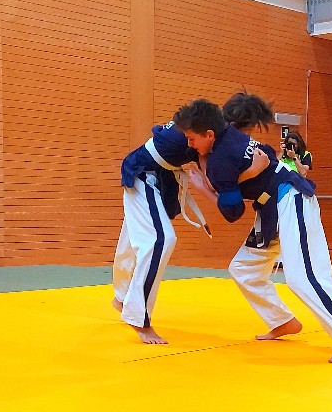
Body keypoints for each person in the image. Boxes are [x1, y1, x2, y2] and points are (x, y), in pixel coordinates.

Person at [175, 95, 332, 363]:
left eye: (192, 139)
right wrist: (247, 174)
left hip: (292, 199)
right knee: (244, 269)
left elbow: (233, 212)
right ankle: (282, 321)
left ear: (209, 134)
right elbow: (267, 155)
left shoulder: (221, 161)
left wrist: (203, 188)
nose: (189, 144)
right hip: (270, 209)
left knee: (304, 278)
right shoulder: (228, 135)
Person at [113, 115, 269, 344]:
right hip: (142, 173)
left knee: (134, 235)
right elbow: (216, 188)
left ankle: (121, 296)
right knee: (160, 240)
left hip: (157, 175)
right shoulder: (202, 135)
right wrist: (252, 172)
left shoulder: (199, 124)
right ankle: (138, 317)